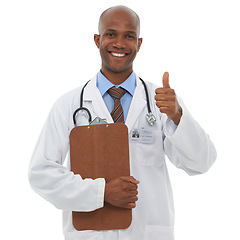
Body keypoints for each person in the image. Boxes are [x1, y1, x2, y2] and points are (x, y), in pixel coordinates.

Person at [28, 5, 217, 240]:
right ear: (97, 40)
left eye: (129, 36)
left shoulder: (162, 102)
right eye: (111, 34)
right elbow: (41, 174)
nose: (119, 43)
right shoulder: (68, 105)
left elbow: (201, 163)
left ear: (139, 43)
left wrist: (178, 116)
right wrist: (102, 192)